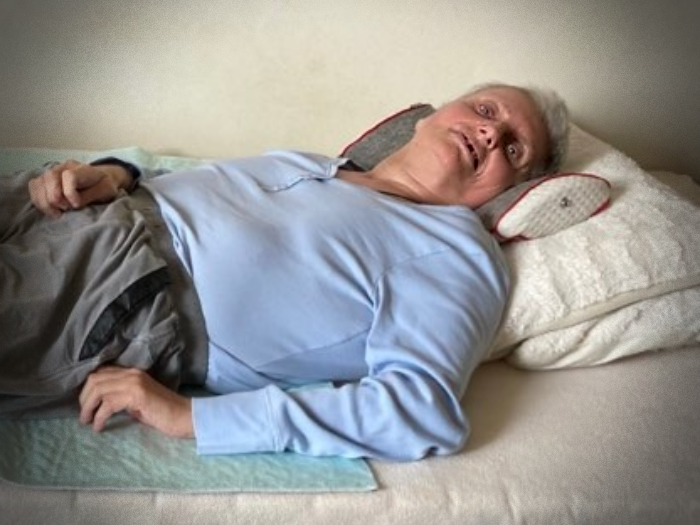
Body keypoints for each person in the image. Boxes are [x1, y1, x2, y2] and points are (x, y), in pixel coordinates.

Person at [1, 83, 569, 460]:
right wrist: (115, 173)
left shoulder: (457, 252)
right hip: (68, 201)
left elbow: (422, 411)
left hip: (120, 287)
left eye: (513, 150)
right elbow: (183, 187)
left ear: (508, 191)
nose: (491, 133)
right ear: (430, 118)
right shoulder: (318, 165)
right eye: (485, 111)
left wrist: (192, 418)